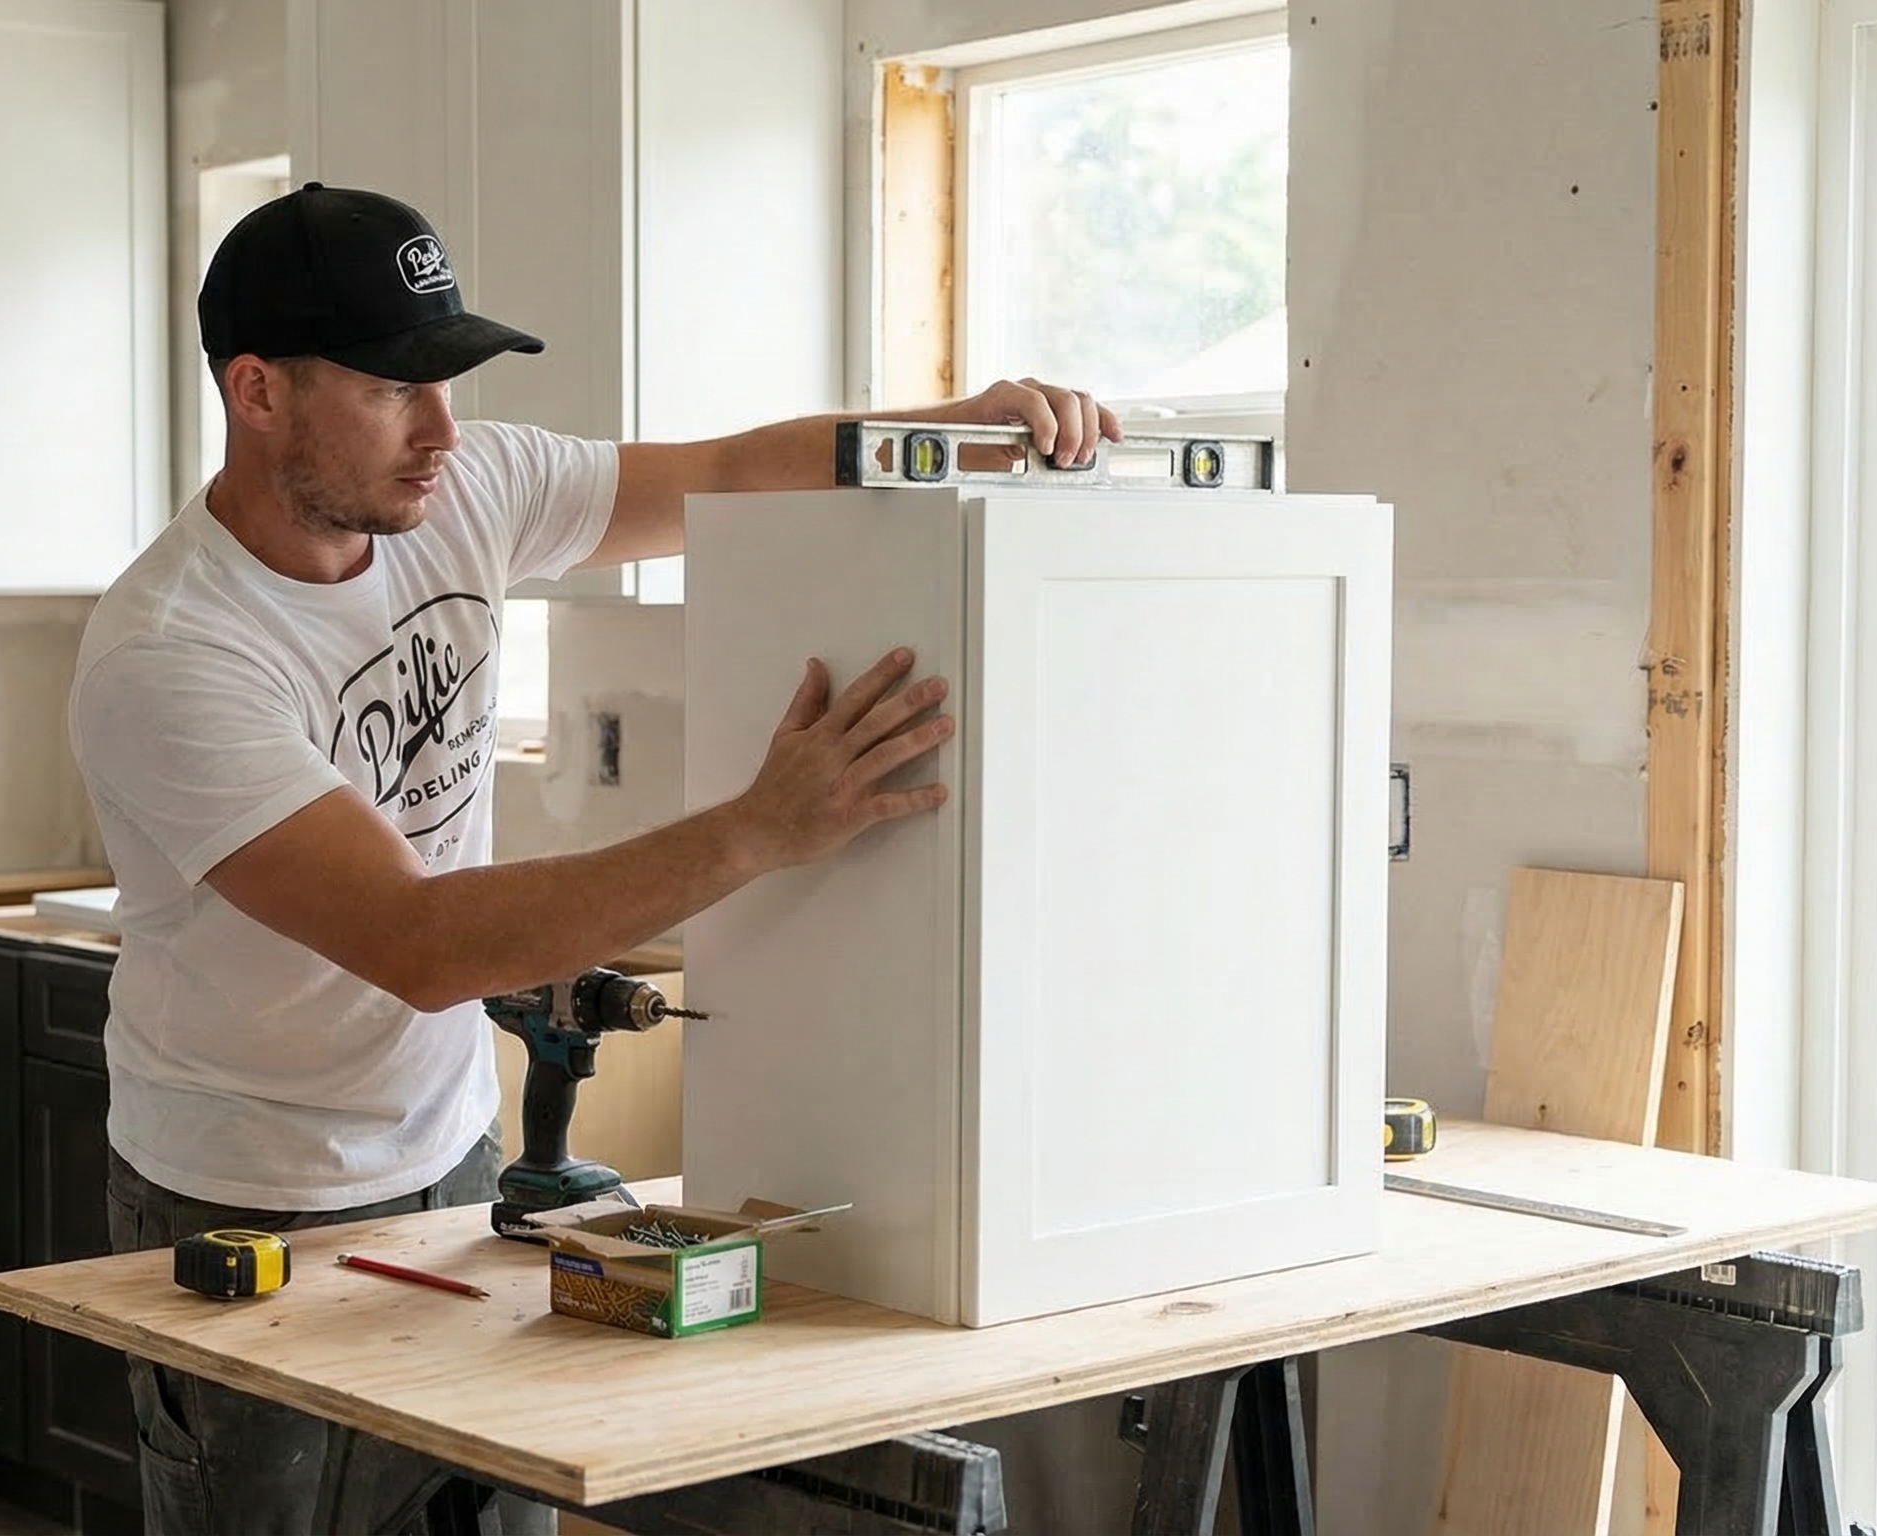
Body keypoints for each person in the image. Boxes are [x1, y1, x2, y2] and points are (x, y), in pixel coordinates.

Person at [66, 182, 1118, 1536]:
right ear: (258, 390)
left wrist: (939, 431)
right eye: (398, 388)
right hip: (239, 1188)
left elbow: (729, 477)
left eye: (451, 381)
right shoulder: (173, 654)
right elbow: (423, 943)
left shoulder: (463, 487)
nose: (446, 430)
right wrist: (756, 826)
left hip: (446, 1149)